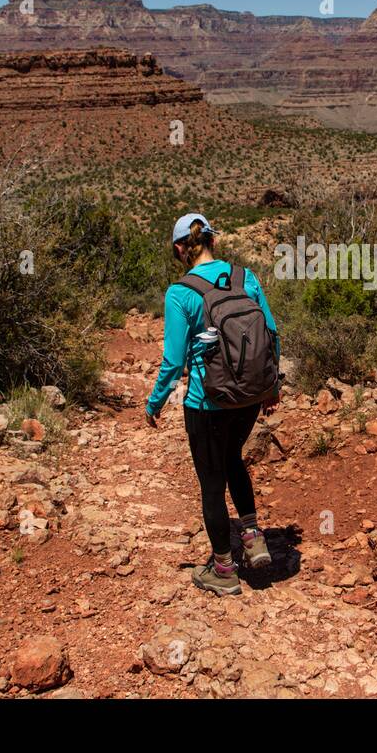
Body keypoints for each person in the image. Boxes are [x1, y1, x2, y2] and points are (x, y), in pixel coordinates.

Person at [145, 213, 280, 595]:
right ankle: (252, 538)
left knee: (210, 483)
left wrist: (154, 403)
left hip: (208, 401)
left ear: (179, 249)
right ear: (213, 242)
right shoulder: (245, 277)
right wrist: (270, 387)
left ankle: (223, 569)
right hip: (249, 397)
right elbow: (270, 332)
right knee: (233, 457)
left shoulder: (180, 292)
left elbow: (173, 361)